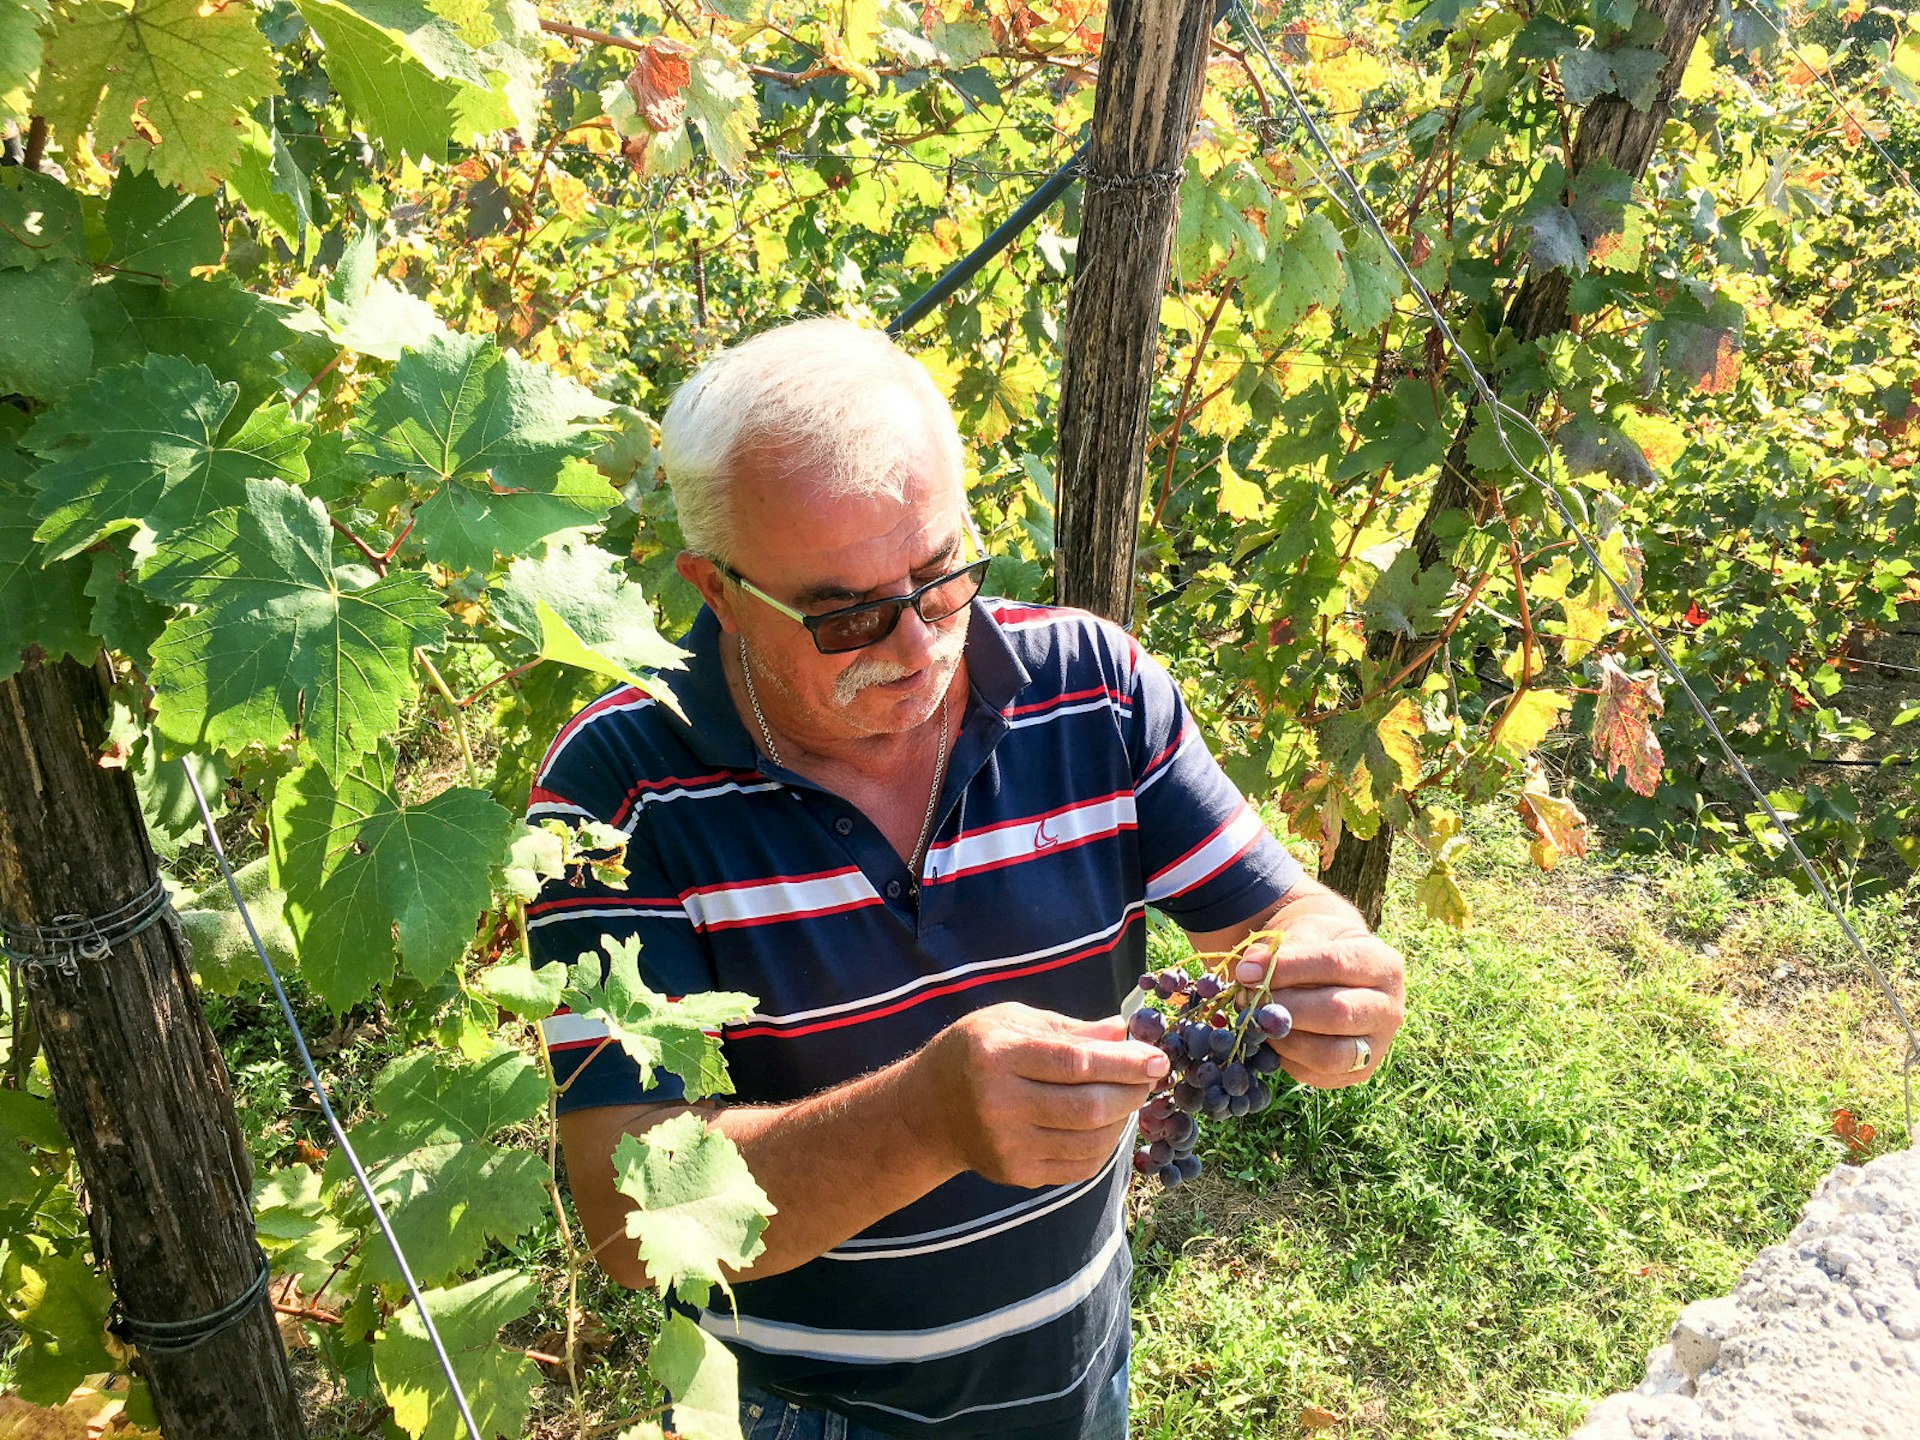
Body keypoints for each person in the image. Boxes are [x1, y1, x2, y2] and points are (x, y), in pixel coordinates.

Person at [526, 318, 1405, 1440]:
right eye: (844, 613)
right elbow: (624, 1208)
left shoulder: (1093, 688)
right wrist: (921, 1121)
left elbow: (1272, 915)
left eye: (939, 577)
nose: (915, 645)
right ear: (719, 589)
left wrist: (1332, 966)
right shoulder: (616, 793)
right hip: (799, 1414)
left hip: (1079, 1374)